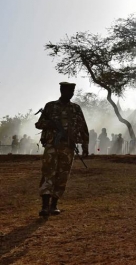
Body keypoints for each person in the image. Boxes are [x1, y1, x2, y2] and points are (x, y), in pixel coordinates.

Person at [34, 82, 89, 217]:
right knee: (48, 173)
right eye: (67, 90)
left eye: (72, 91)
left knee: (63, 175)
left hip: (68, 147)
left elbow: (83, 126)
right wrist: (51, 124)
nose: (70, 93)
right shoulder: (50, 106)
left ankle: (54, 205)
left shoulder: (76, 108)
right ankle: (44, 206)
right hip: (52, 146)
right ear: (61, 90)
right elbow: (39, 124)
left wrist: (85, 144)